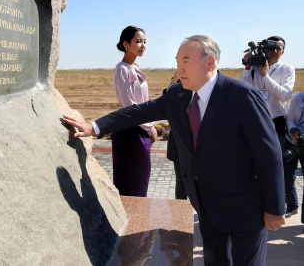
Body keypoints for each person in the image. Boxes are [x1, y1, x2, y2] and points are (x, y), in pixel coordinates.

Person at [64, 35, 285, 266]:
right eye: (177, 61)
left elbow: (269, 154)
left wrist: (275, 208)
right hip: (206, 206)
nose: (178, 68)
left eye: (186, 61)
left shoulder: (241, 96)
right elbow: (137, 112)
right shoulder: (177, 95)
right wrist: (94, 126)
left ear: (209, 63)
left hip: (245, 208)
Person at [111, 25, 157, 197]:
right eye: (138, 41)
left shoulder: (135, 68)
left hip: (141, 130)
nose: (143, 45)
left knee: (141, 181)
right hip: (129, 132)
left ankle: (138, 220)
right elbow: (130, 105)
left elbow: (143, 103)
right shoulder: (121, 69)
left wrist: (149, 126)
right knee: (131, 184)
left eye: (144, 42)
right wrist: (151, 128)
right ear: (126, 44)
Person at [240, 36, 295, 150]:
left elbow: (285, 96)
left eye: (278, 48)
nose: (274, 51)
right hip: (255, 119)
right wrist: (247, 67)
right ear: (264, 49)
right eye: (271, 48)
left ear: (282, 52)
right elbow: (242, 90)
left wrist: (265, 76)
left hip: (276, 121)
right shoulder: (254, 67)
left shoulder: (287, 69)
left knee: (275, 158)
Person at [165, 71, 187, 200]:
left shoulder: (198, 86)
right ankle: (180, 213)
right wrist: (174, 82)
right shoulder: (173, 87)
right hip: (178, 142)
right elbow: (167, 103)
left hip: (198, 144)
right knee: (181, 181)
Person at [283, 92, 304, 220]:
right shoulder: (297, 98)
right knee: (287, 177)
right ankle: (292, 206)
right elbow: (289, 118)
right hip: (291, 140)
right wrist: (294, 132)